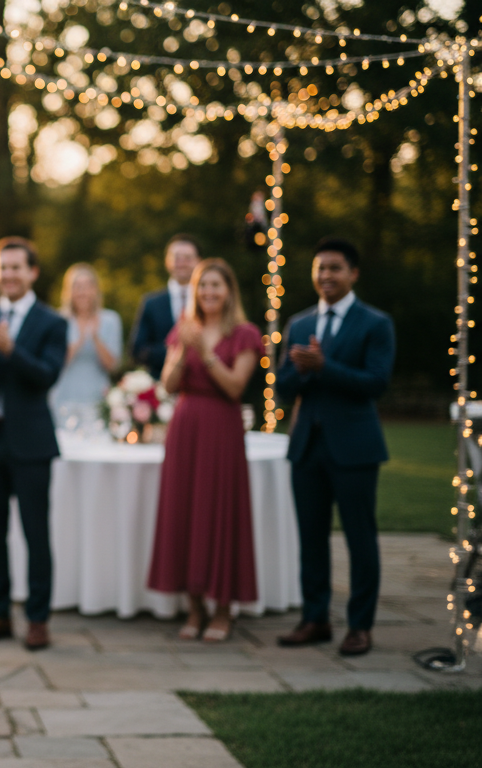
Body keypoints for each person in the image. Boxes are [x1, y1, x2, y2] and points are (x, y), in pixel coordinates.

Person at [276, 237, 394, 657]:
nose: (326, 275)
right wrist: (302, 371)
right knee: (311, 537)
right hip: (307, 445)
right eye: (320, 268)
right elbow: (283, 387)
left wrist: (326, 368)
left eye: (335, 268)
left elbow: (376, 383)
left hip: (355, 447)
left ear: (353, 273)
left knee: (360, 539)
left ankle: (360, 626)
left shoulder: (375, 323)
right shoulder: (299, 323)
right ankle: (315, 618)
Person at [147, 258, 262, 643]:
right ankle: (194, 609)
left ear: (229, 291)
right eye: (203, 286)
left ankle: (223, 610)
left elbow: (234, 387)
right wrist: (183, 349)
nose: (209, 292)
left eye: (216, 285)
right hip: (185, 429)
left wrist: (206, 353)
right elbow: (167, 385)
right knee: (186, 512)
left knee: (219, 513)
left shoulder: (244, 334)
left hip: (221, 431)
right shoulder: (184, 331)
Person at [0, 236, 67, 652]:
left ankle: (38, 620)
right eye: (2, 268)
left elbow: (47, 375)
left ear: (32, 272)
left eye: (16, 267)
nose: (8, 275)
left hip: (31, 440)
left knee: (35, 533)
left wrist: (11, 348)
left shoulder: (52, 321)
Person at [52, 263, 122, 418]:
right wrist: (79, 342)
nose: (82, 292)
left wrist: (96, 338)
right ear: (69, 291)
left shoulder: (110, 319)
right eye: (77, 287)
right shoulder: (58, 320)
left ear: (95, 290)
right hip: (64, 395)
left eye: (87, 286)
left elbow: (112, 366)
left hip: (99, 397)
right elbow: (54, 364)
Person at [130, 234, 201, 379]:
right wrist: (175, 351)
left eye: (187, 258)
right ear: (167, 262)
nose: (182, 263)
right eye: (177, 258)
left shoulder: (208, 300)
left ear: (198, 261)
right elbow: (137, 350)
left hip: (202, 383)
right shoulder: (151, 303)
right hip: (159, 383)